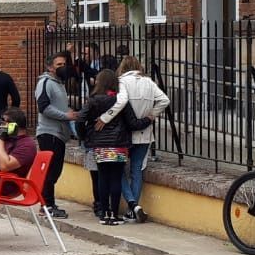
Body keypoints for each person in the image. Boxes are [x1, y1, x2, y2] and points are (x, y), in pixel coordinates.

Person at [116, 56, 169, 223]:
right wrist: (152, 114)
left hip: (125, 134)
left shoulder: (121, 81)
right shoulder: (149, 82)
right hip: (145, 133)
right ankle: (133, 210)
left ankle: (132, 204)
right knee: (136, 170)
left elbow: (121, 102)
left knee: (119, 170)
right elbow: (165, 100)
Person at [81, 69, 131, 224]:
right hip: (118, 144)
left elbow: (80, 119)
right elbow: (131, 122)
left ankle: (103, 213)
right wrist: (148, 120)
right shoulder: (120, 101)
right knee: (116, 178)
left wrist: (86, 136)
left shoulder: (93, 100)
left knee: (102, 178)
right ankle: (114, 214)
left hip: (100, 145)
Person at [33, 51, 77, 219]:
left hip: (59, 134)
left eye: (64, 64)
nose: (63, 67)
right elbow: (43, 107)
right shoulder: (45, 82)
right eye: (59, 65)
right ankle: (47, 205)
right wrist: (65, 116)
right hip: (49, 133)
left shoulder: (59, 83)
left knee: (55, 171)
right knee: (51, 171)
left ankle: (48, 204)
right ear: (50, 67)